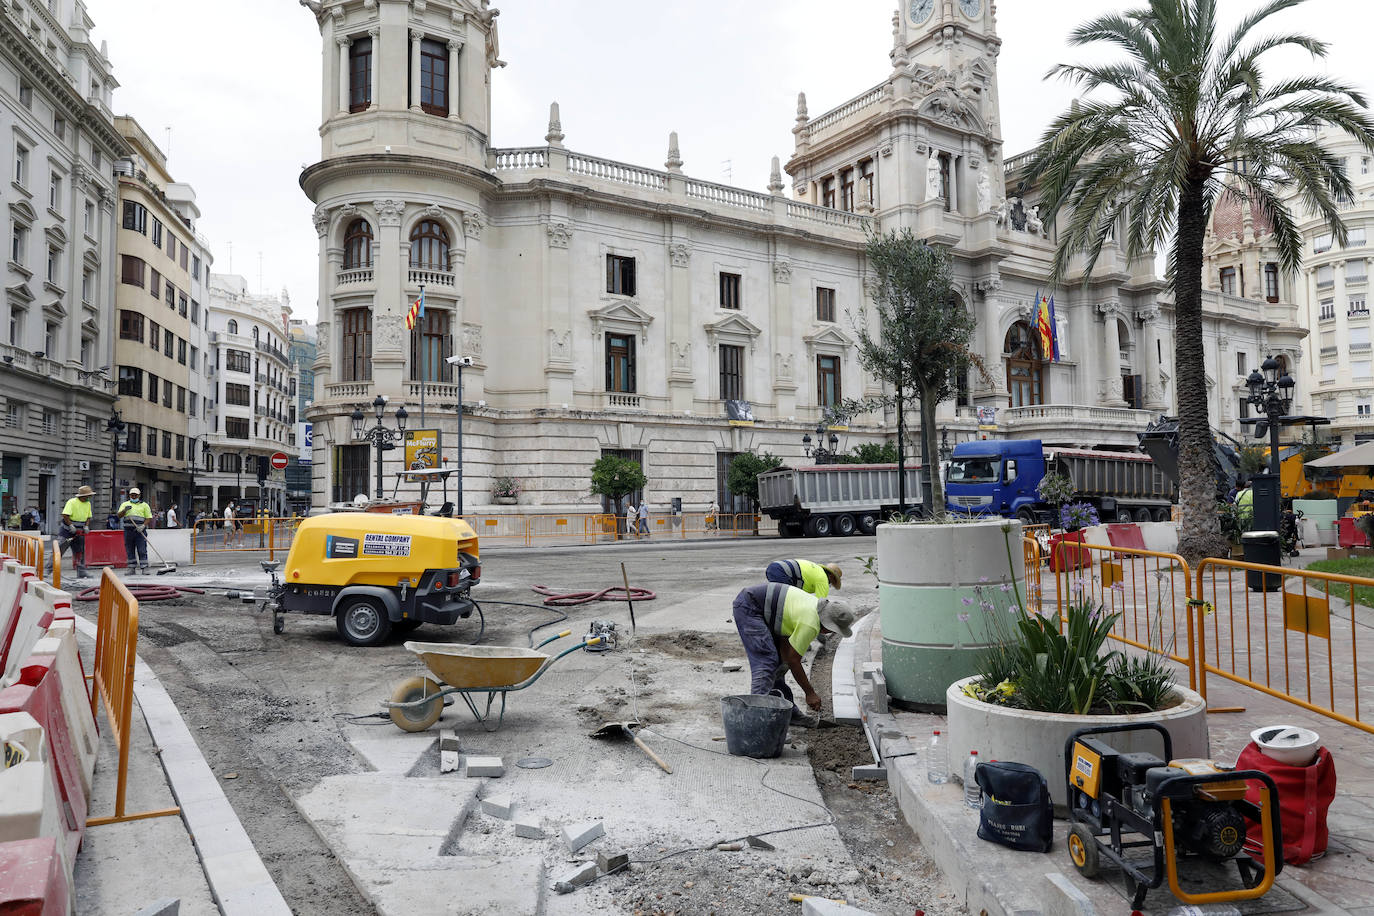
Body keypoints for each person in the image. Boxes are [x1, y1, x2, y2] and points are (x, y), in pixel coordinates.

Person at [731, 582, 859, 727]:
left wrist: (783, 662)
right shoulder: (810, 623)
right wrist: (810, 693)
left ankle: (788, 713)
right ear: (828, 625)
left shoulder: (816, 607)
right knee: (766, 662)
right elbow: (794, 661)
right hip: (750, 606)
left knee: (777, 665)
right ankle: (756, 722)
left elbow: (787, 636)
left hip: (763, 609)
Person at [58, 485, 95, 578]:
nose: (89, 497)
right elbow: (65, 515)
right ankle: (48, 570)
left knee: (80, 552)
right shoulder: (72, 502)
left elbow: (88, 517)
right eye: (88, 495)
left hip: (79, 531)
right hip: (68, 531)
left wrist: (86, 526)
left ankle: (81, 571)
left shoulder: (88, 504)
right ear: (82, 496)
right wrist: (70, 525)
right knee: (59, 549)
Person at [117, 487, 153, 573]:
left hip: (140, 531)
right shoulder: (124, 504)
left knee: (142, 549)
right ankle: (131, 568)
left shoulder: (144, 505)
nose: (133, 497)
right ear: (129, 495)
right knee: (130, 549)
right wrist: (124, 510)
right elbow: (119, 515)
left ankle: (144, 567)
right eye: (132, 495)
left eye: (135, 495)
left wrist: (143, 526)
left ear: (139, 495)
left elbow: (148, 517)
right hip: (128, 531)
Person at [765, 559, 842, 598]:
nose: (830, 584)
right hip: (782, 572)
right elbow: (821, 603)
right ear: (831, 576)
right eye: (833, 581)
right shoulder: (823, 579)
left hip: (774, 567)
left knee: (779, 597)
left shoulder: (816, 569)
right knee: (785, 601)